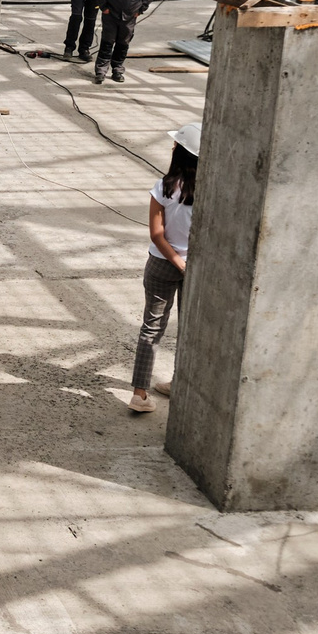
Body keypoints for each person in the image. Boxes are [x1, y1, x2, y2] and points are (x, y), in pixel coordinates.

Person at [132, 123, 197, 415]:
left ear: (179, 152)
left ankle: (140, 393)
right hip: (196, 266)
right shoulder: (210, 191)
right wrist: (186, 263)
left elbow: (156, 234)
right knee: (191, 328)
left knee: (152, 327)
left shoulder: (163, 186)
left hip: (160, 262)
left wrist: (175, 260)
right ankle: (180, 382)